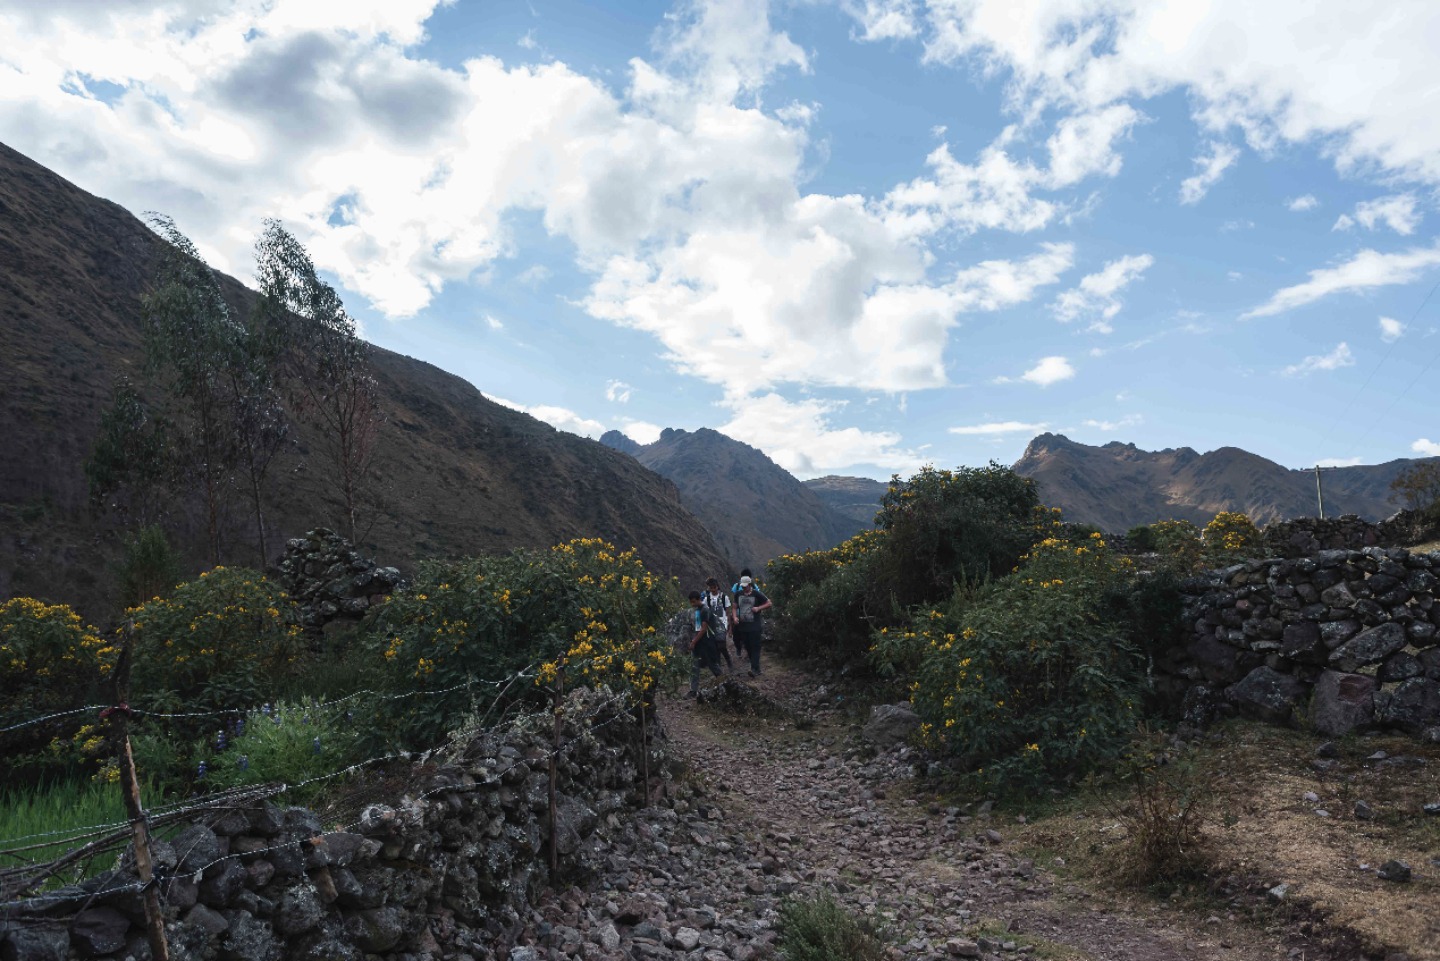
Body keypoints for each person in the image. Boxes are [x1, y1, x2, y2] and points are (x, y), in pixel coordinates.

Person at [731, 574, 772, 677]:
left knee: (755, 647)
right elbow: (734, 607)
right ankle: (756, 668)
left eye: (746, 586)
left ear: (750, 585)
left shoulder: (756, 594)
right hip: (743, 626)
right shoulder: (738, 594)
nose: (744, 588)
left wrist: (758, 608)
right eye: (743, 586)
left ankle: (754, 669)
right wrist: (735, 617)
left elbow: (769, 603)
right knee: (748, 647)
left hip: (755, 625)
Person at [686, 590, 723, 698]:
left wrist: (694, 641)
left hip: (707, 642)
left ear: (699, 599)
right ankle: (693, 690)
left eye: (694, 602)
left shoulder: (705, 610)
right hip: (698, 642)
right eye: (691, 602)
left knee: (712, 664)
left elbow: (703, 628)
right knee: (694, 666)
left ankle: (724, 682)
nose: (692, 604)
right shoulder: (697, 610)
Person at [701, 577, 737, 672]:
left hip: (722, 625)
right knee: (715, 646)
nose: (713, 589)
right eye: (711, 588)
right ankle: (719, 665)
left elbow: (728, 613)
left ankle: (728, 660)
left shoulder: (724, 597)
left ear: (717, 587)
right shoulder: (707, 599)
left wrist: (730, 628)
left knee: (721, 645)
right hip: (712, 626)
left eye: (714, 587)